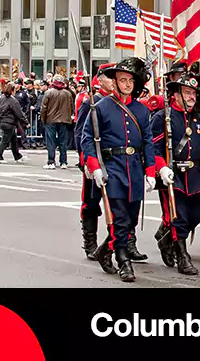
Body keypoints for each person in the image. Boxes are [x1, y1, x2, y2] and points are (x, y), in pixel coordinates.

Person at [81, 58, 156, 283]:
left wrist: (151, 170)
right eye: (122, 80)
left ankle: (106, 249)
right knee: (119, 216)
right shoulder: (100, 107)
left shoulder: (141, 111)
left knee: (130, 218)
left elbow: (148, 141)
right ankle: (123, 260)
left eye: (130, 80)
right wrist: (93, 167)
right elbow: (87, 139)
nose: (127, 84)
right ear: (114, 82)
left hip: (134, 168)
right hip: (112, 166)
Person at [151, 72, 200, 275]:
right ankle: (182, 257)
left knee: (194, 218)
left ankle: (166, 239)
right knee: (177, 217)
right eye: (187, 92)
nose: (191, 97)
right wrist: (161, 168)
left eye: (193, 94)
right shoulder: (163, 117)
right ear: (176, 95)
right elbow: (154, 149)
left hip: (194, 174)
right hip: (172, 174)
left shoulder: (198, 117)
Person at [75, 63, 116, 266]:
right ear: (100, 79)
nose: (113, 81)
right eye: (109, 77)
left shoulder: (119, 102)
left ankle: (123, 243)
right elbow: (81, 134)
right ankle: (90, 242)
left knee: (119, 203)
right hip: (96, 160)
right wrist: (86, 161)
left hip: (116, 160)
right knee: (91, 202)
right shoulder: (90, 102)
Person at [41, 74, 74, 169]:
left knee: (51, 141)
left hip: (51, 119)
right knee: (63, 141)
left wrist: (43, 119)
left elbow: (44, 108)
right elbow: (71, 107)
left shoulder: (49, 92)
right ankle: (63, 161)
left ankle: (51, 161)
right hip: (64, 119)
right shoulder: (67, 93)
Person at [0, 83, 29, 164]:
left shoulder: (1, 99)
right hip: (10, 122)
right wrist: (26, 122)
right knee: (5, 140)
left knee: (13, 140)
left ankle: (17, 156)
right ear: (12, 91)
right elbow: (19, 113)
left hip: (3, 121)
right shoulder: (13, 101)